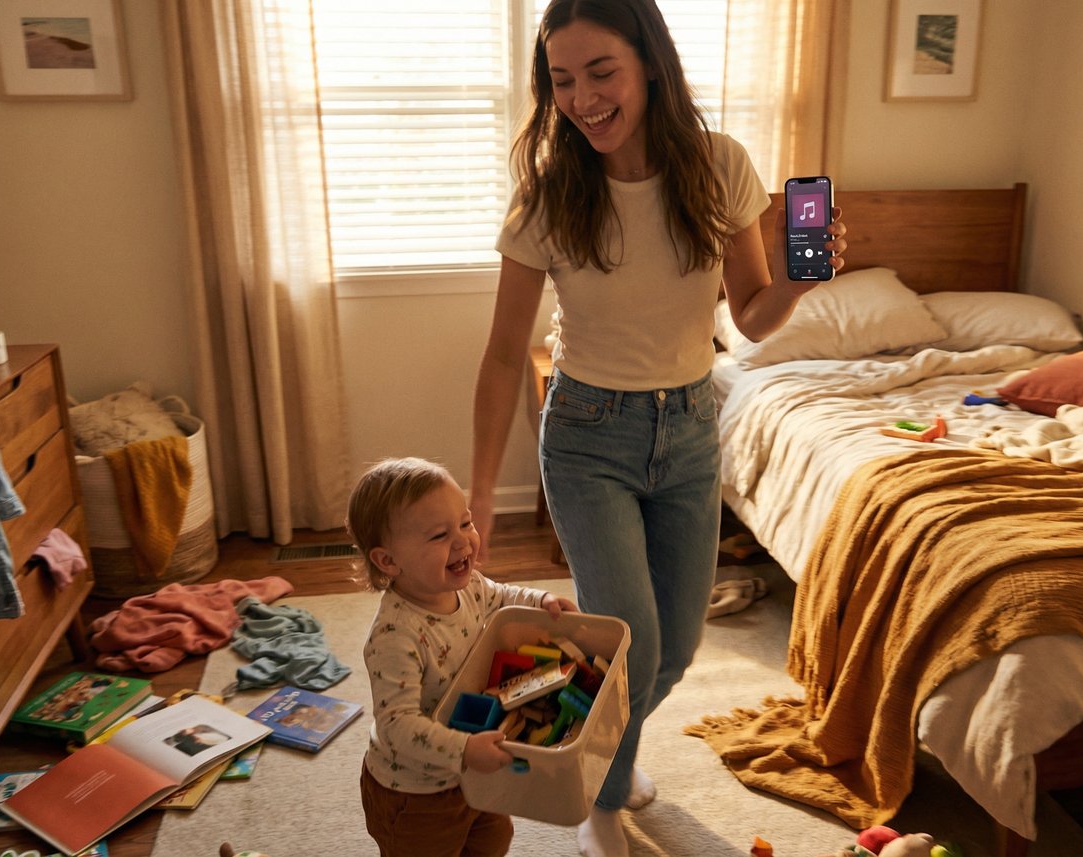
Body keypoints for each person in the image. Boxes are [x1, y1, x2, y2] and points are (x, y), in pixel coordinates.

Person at [469, 1, 847, 854]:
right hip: (586, 433)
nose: (582, 99)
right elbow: (501, 357)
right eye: (562, 80)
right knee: (626, 635)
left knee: (673, 645)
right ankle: (594, 792)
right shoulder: (550, 192)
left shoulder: (718, 167)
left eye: (601, 72)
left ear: (649, 63)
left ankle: (576, 739)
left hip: (688, 430)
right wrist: (482, 490)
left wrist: (796, 281)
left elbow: (750, 316)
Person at [349, 457, 578, 857]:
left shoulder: (469, 585)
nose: (463, 541)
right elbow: (397, 726)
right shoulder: (393, 636)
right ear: (388, 561)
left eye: (466, 523)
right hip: (416, 792)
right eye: (439, 535)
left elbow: (503, 596)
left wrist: (539, 600)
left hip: (476, 773)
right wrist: (463, 750)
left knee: (492, 841)